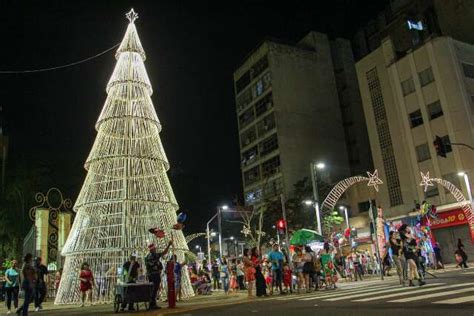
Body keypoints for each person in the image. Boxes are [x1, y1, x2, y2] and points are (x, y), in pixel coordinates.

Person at [145, 237, 172, 310]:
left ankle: (152, 304)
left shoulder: (147, 256)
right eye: (154, 249)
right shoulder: (154, 255)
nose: (155, 249)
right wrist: (169, 245)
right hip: (155, 275)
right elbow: (164, 253)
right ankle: (152, 304)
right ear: (152, 249)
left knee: (152, 289)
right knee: (155, 289)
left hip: (150, 275)